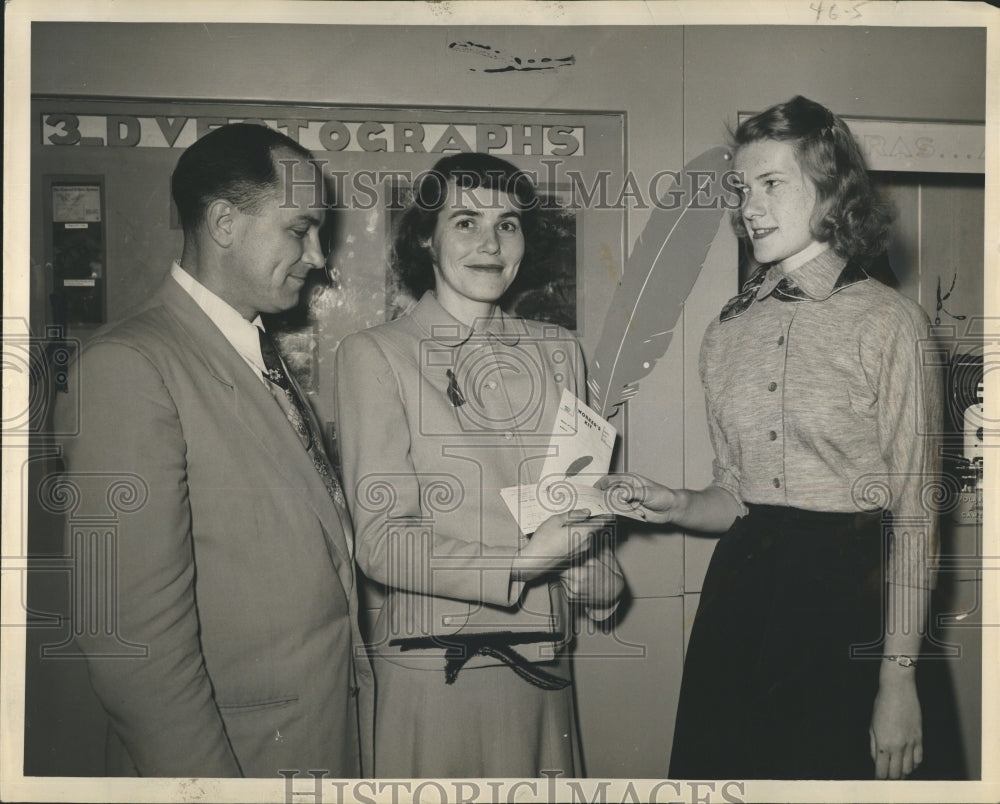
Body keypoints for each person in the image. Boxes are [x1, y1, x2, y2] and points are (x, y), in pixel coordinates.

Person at [600, 96, 943, 780]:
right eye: (741, 188)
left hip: (853, 602)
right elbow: (736, 496)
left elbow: (916, 517)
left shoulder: (890, 323)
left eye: (771, 185)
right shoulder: (728, 328)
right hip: (744, 593)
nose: (748, 207)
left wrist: (898, 679)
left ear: (832, 189)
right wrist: (675, 501)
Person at [54, 123, 373, 777]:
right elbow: (131, 649)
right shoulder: (130, 367)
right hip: (231, 762)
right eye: (298, 229)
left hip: (306, 741)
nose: (317, 255)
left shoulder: (251, 352)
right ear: (225, 222)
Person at [334, 153, 623, 778]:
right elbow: (384, 543)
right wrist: (522, 563)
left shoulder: (559, 350)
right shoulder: (376, 355)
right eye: (465, 221)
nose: (491, 242)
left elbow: (572, 502)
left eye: (509, 224)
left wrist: (600, 576)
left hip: (545, 666)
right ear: (424, 238)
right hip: (438, 675)